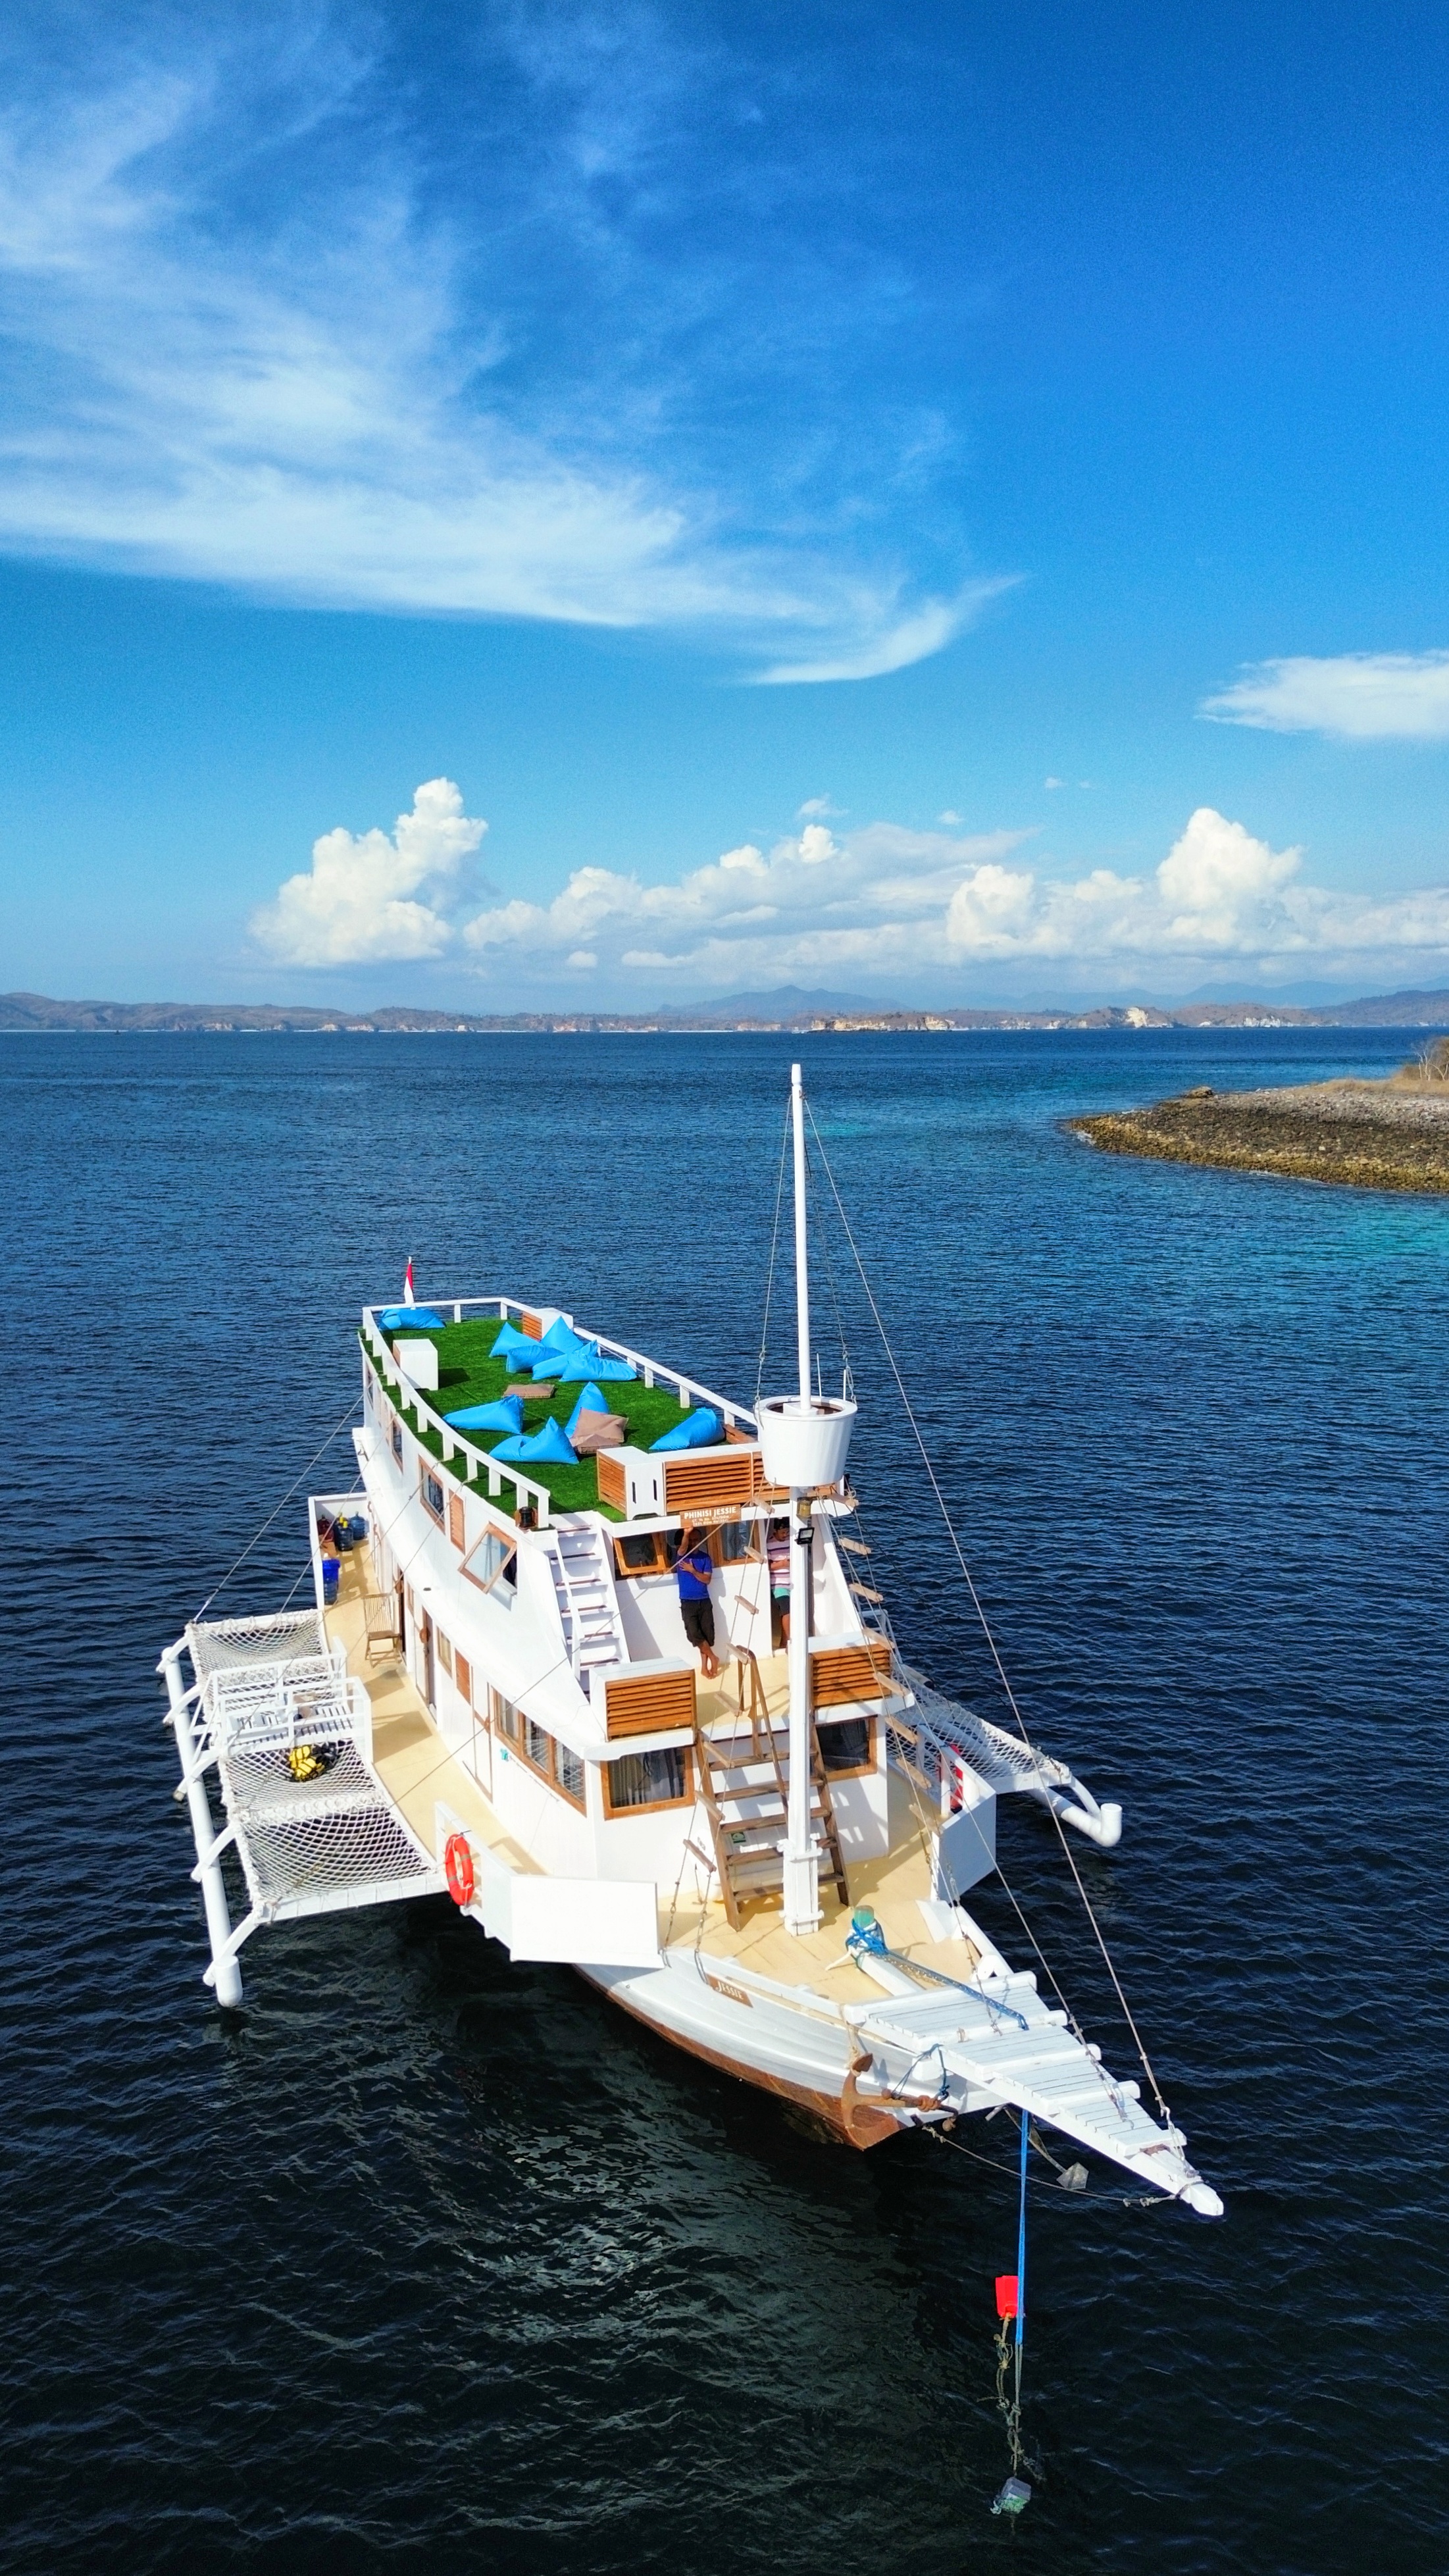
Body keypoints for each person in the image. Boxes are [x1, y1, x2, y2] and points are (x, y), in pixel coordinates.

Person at [674, 1526, 721, 1679]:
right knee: (695, 1634)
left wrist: (693, 1571)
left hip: (704, 1601)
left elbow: (707, 1580)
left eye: (696, 1540)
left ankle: (704, 1668)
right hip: (688, 1602)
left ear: (701, 1541)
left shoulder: (705, 1558)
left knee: (706, 1635)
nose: (693, 1543)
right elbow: (683, 1546)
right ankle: (714, 1658)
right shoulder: (682, 1556)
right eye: (691, 1540)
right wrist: (686, 1533)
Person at [767, 1516, 792, 1650]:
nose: (785, 1535)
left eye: (787, 1532)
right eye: (783, 1532)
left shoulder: (791, 1541)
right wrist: (782, 1563)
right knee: (787, 1612)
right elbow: (768, 1566)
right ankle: (789, 1641)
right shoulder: (769, 1544)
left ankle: (783, 1642)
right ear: (775, 1531)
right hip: (778, 1585)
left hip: (792, 1583)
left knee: (788, 1612)